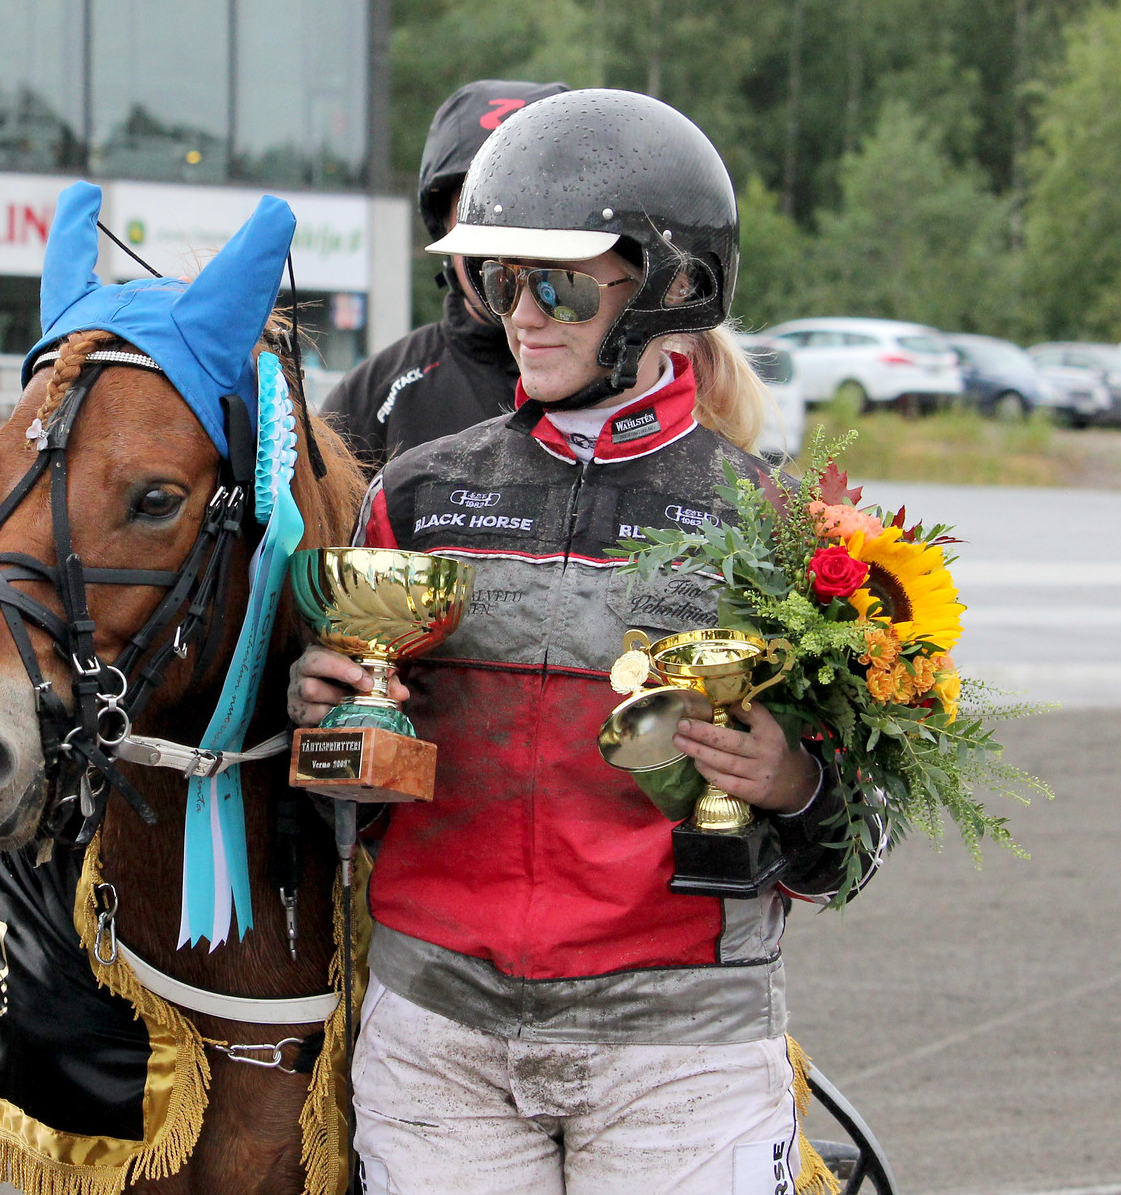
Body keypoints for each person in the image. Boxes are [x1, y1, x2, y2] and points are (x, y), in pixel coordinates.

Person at [288, 89, 879, 1195]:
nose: (522, 313)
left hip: (678, 1047)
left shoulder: (776, 528)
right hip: (440, 1038)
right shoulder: (410, 497)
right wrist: (324, 720)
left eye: (555, 282)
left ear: (670, 287)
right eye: (500, 280)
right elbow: (343, 811)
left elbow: (856, 845)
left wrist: (795, 780)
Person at [324, 79, 567, 468]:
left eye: (534, 205)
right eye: (482, 208)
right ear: (445, 228)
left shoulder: (642, 384)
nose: (510, 241)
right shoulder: (372, 398)